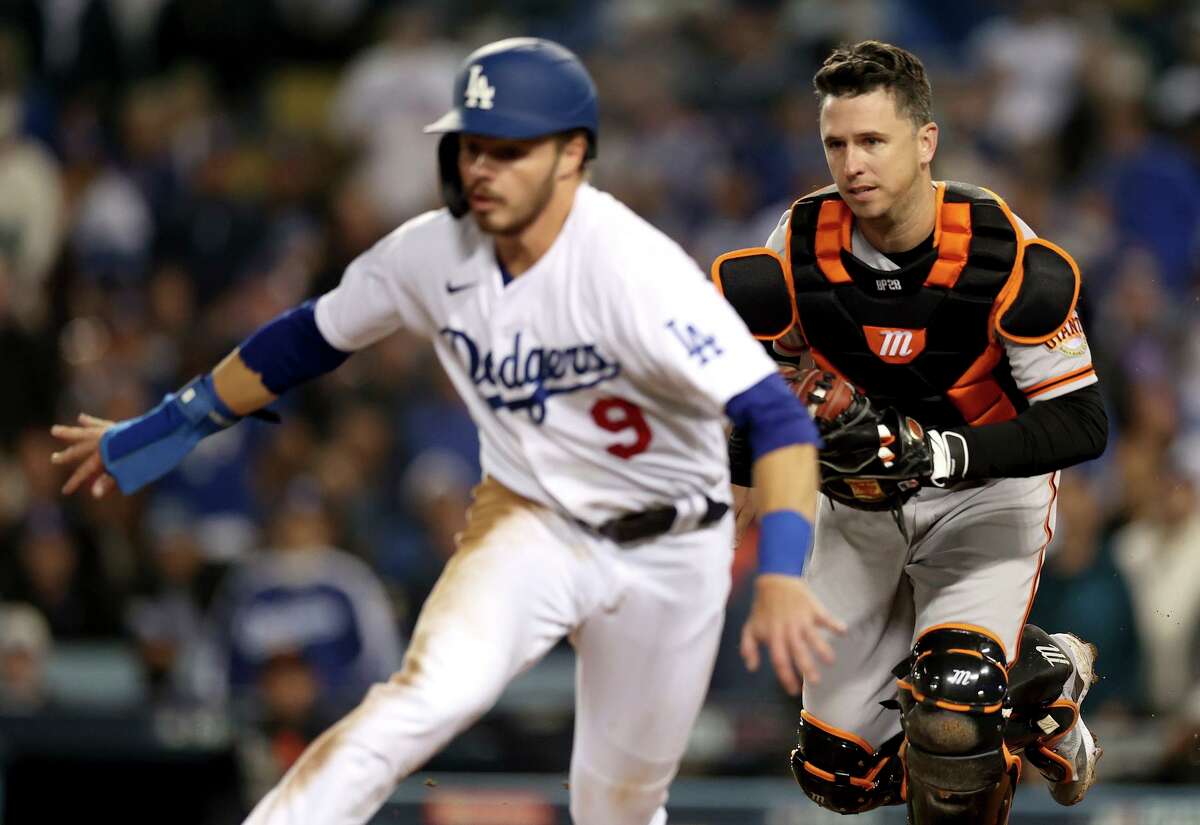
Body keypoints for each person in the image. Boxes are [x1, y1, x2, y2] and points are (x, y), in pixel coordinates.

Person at [50, 38, 835, 825]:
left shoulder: (636, 270)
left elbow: (778, 419)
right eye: (470, 145)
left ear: (573, 155)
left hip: (673, 549)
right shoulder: (432, 252)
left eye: (509, 149)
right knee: (419, 701)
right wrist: (175, 419)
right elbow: (307, 337)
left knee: (619, 805)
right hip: (533, 524)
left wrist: (780, 572)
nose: (481, 168)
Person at [714, 41, 1108, 824]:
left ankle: (1016, 679)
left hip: (983, 496)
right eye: (836, 143)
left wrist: (942, 451)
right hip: (856, 505)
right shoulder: (794, 246)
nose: (852, 163)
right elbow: (753, 397)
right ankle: (1041, 682)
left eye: (873, 141)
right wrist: (733, 494)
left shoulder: (1001, 254)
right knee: (838, 777)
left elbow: (1082, 421)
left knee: (952, 709)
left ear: (925, 142)